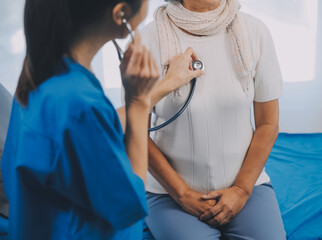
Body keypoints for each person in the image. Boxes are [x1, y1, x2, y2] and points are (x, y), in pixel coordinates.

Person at [0, 0, 203, 239]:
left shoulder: (39, 74)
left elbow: (86, 133)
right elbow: (129, 211)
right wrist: (137, 104)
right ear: (121, 13)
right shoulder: (81, 106)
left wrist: (162, 87)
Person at [140, 0, 287, 239]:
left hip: (245, 187)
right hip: (169, 193)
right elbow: (135, 131)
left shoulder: (254, 31)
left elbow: (268, 124)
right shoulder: (147, 40)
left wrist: (241, 190)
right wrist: (182, 194)